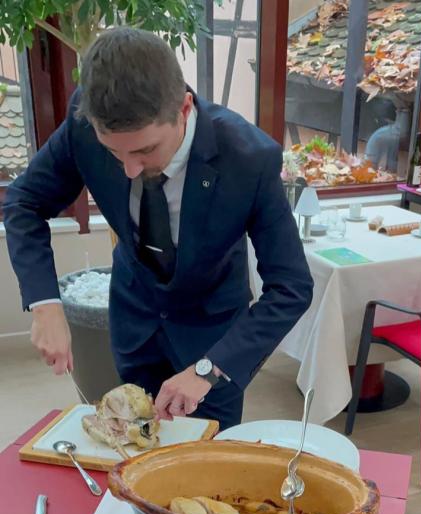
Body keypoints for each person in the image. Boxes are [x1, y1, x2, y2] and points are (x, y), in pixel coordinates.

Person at [4, 27, 313, 430]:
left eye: (146, 150)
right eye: (114, 152)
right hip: (135, 325)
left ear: (184, 108)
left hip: (212, 339)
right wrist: (45, 304)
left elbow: (291, 287)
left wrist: (208, 369)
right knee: (133, 446)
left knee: (207, 456)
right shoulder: (84, 122)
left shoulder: (249, 158)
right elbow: (24, 203)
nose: (130, 169)